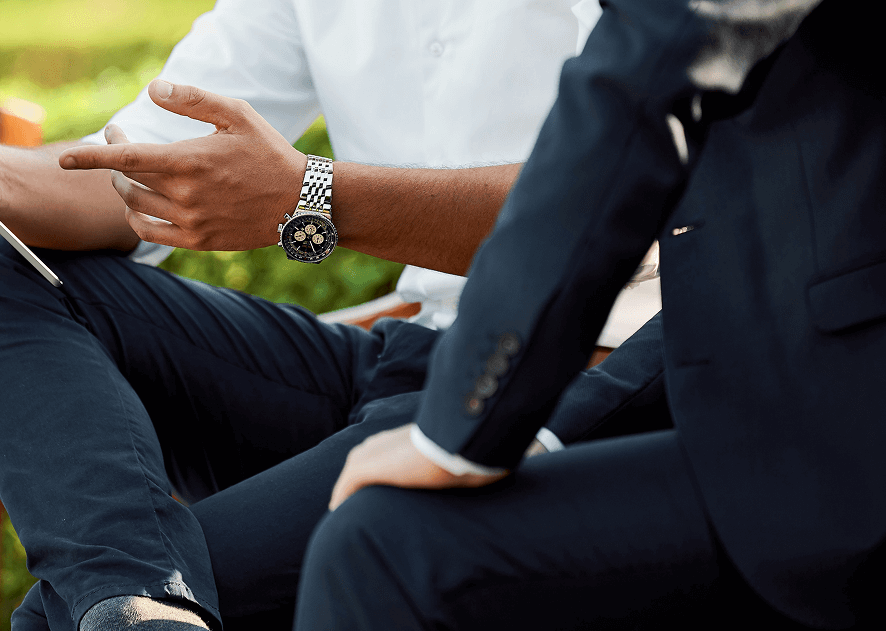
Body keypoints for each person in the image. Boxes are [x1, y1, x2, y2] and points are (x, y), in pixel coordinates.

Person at [0, 1, 662, 629]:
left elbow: (635, 194)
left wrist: (313, 198)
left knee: (58, 616)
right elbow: (139, 167)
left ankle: (130, 600)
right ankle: (137, 596)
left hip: (574, 369)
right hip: (405, 353)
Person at [283, 0, 886, 628]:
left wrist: (462, 428)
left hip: (834, 434)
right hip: (726, 397)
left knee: (381, 547)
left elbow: (648, 75)